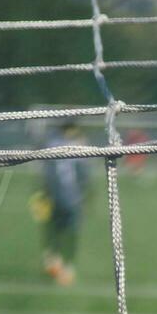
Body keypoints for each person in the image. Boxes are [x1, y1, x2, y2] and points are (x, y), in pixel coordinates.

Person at [33, 122, 92, 287]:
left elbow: (46, 172)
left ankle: (52, 260)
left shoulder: (51, 144)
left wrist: (43, 193)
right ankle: (66, 266)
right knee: (70, 233)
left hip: (53, 195)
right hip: (71, 198)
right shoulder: (79, 146)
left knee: (54, 230)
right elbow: (84, 175)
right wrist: (86, 196)